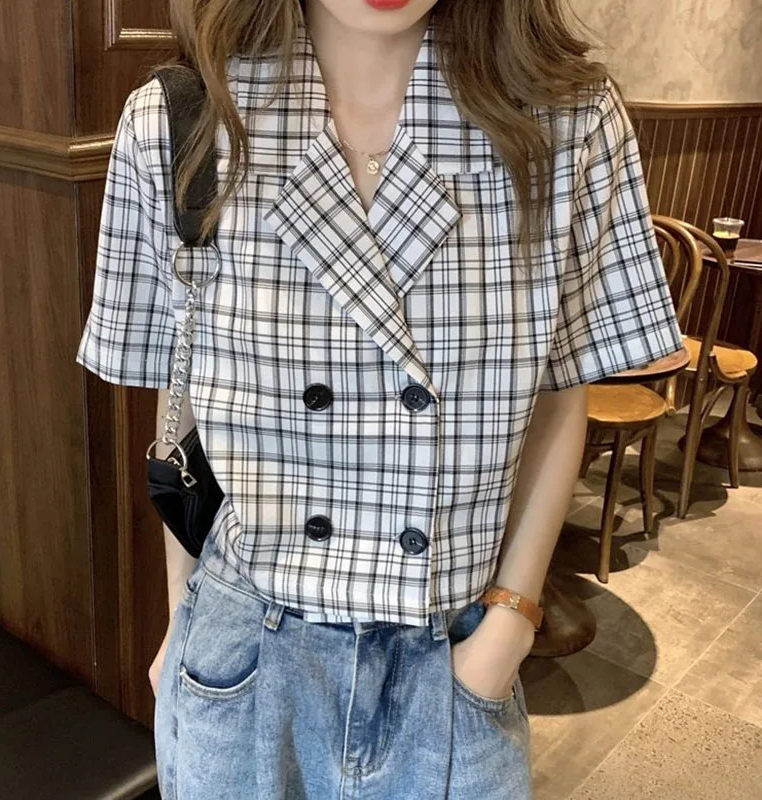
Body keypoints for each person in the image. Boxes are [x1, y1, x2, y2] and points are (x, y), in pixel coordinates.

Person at [76, 0, 683, 797]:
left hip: (451, 661)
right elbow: (180, 400)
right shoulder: (179, 122)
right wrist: (183, 615)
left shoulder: (568, 124)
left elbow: (561, 395)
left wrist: (509, 625)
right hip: (244, 655)